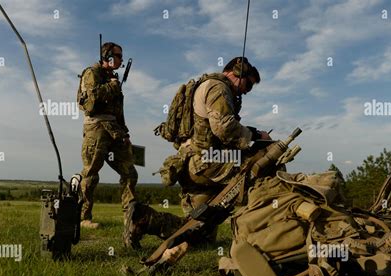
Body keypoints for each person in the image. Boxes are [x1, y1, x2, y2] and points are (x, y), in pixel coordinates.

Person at [124, 57, 270, 250]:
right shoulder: (218, 87)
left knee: (199, 235)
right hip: (208, 163)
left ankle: (144, 219)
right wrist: (256, 135)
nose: (246, 90)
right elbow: (223, 127)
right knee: (263, 168)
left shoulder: (202, 86)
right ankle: (270, 235)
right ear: (236, 72)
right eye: (248, 84)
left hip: (190, 165)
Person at [78, 42, 138, 229]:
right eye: (118, 55)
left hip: (114, 129)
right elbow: (89, 103)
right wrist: (112, 87)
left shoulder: (113, 78)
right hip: (96, 128)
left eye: (121, 56)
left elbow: (118, 110)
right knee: (91, 173)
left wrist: (124, 132)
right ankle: (83, 218)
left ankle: (130, 217)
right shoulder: (92, 73)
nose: (121, 59)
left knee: (130, 173)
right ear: (107, 56)